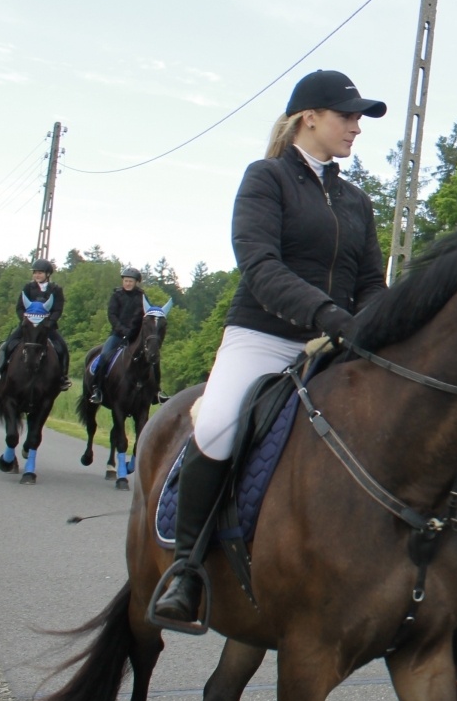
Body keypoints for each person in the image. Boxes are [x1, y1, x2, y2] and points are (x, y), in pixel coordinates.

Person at [150, 69, 388, 629]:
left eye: (359, 119)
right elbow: (260, 267)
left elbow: (373, 282)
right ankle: (185, 569)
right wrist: (327, 314)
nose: (357, 127)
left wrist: (382, 325)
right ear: (310, 117)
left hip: (337, 343)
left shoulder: (357, 201)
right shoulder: (266, 179)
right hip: (263, 337)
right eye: (348, 116)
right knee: (218, 427)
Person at [0, 258, 70, 393]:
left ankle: (63, 378)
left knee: (62, 348)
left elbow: (58, 309)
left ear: (48, 274)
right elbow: (20, 307)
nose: (37, 275)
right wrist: (24, 321)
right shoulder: (28, 287)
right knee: (7, 345)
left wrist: (50, 323)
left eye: (40, 273)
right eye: (35, 273)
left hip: (46, 327)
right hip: (28, 326)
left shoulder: (55, 289)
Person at [88, 267, 148, 405]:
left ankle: (156, 391)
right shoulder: (116, 295)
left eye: (130, 281)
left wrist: (132, 331)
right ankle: (97, 389)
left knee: (152, 359)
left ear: (136, 282)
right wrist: (123, 330)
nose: (127, 283)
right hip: (117, 334)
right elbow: (112, 315)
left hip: (135, 336)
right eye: (126, 281)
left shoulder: (142, 297)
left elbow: (141, 316)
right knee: (104, 356)